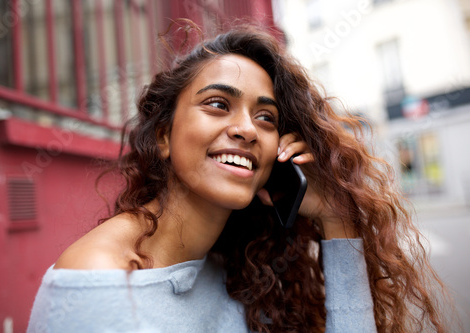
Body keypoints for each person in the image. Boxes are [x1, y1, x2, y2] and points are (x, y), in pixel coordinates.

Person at [27, 23, 449, 333]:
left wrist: (338, 221)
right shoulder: (98, 284)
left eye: (266, 117)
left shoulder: (241, 268)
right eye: (217, 104)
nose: (248, 129)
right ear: (163, 137)